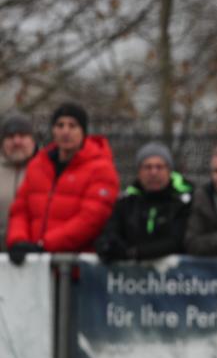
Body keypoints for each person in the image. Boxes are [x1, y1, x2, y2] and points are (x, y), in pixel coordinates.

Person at [6, 103, 119, 263]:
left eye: (72, 126)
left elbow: (91, 219)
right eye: (60, 125)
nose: (65, 131)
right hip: (35, 264)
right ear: (53, 130)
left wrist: (45, 245)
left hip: (76, 266)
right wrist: (19, 240)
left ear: (83, 131)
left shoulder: (101, 169)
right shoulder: (38, 165)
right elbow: (20, 210)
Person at [95, 143, 193, 262]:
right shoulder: (126, 201)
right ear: (139, 172)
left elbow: (177, 240)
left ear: (169, 170)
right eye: (147, 167)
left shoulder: (184, 201)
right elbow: (110, 233)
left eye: (159, 167)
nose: (153, 172)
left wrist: (134, 253)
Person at [1, 112, 37, 249]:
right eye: (10, 137)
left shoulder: (46, 171)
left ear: (32, 140)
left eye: (22, 136)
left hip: (33, 254)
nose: (16, 142)